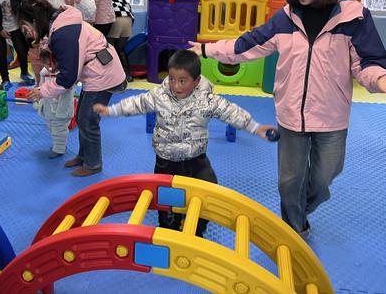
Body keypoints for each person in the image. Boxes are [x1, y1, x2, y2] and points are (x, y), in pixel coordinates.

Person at [189, 0, 386, 237]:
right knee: (288, 181)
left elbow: (367, 61)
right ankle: (294, 229)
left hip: (331, 116)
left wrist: (379, 78)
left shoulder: (353, 16)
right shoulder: (286, 17)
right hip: (290, 113)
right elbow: (249, 43)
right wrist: (208, 49)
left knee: (324, 179)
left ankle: (301, 208)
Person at [93, 50, 275, 237]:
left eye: (182, 81)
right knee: (165, 199)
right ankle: (168, 228)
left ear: (196, 81)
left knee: (207, 192)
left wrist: (255, 127)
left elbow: (232, 112)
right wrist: (111, 110)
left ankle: (197, 229)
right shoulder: (159, 95)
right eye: (172, 79)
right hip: (166, 161)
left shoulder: (207, 100)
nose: (176, 86)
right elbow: (136, 103)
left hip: (195, 160)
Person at [23, 0, 126, 177]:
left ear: (35, 20)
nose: (27, 32)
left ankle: (94, 164)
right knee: (81, 117)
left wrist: (42, 91)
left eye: (25, 26)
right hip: (98, 72)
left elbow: (68, 78)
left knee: (88, 121)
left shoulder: (63, 31)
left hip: (103, 76)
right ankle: (84, 155)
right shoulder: (61, 23)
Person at [26, 0, 96, 84]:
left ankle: (81, 87)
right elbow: (45, 16)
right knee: (65, 67)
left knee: (83, 66)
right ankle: (65, 86)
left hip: (82, 34)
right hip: (62, 38)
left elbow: (91, 11)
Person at [34, 49, 75, 158]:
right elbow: (41, 87)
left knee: (59, 129)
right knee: (51, 127)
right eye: (45, 64)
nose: (47, 67)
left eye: (48, 64)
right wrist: (38, 98)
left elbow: (67, 91)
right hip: (48, 106)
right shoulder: (44, 73)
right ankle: (59, 145)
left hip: (61, 108)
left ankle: (59, 149)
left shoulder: (65, 74)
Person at [108, 0, 134, 82]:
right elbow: (129, 7)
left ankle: (115, 76)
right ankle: (128, 75)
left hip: (116, 19)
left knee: (111, 50)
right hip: (128, 19)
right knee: (120, 50)